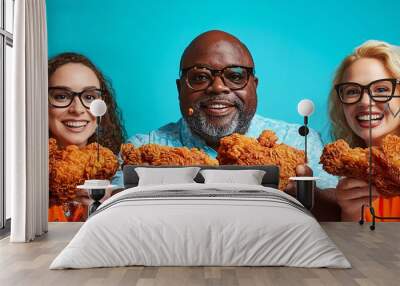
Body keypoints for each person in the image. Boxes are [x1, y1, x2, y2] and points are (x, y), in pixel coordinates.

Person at [121, 30, 339, 219]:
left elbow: (339, 210)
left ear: (254, 86)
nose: (217, 88)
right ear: (180, 89)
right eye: (199, 77)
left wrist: (306, 196)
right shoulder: (143, 149)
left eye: (235, 76)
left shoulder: (299, 141)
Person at [48, 52, 126, 222]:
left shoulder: (118, 172)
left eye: (89, 97)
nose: (77, 109)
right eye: (61, 96)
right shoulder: (19, 176)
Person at [328, 40, 400, 221]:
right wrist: (350, 214)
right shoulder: (349, 182)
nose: (365, 102)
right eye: (352, 91)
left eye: (382, 89)